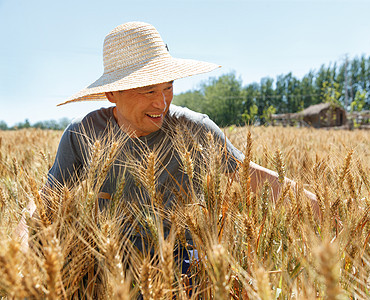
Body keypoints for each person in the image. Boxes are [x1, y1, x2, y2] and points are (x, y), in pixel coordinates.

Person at [17, 21, 317, 255]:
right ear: (112, 93)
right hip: (113, 263)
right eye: (149, 90)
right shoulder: (83, 133)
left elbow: (252, 177)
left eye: (168, 87)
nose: (162, 103)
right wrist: (16, 251)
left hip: (186, 262)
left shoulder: (195, 128)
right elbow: (47, 200)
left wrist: (326, 213)